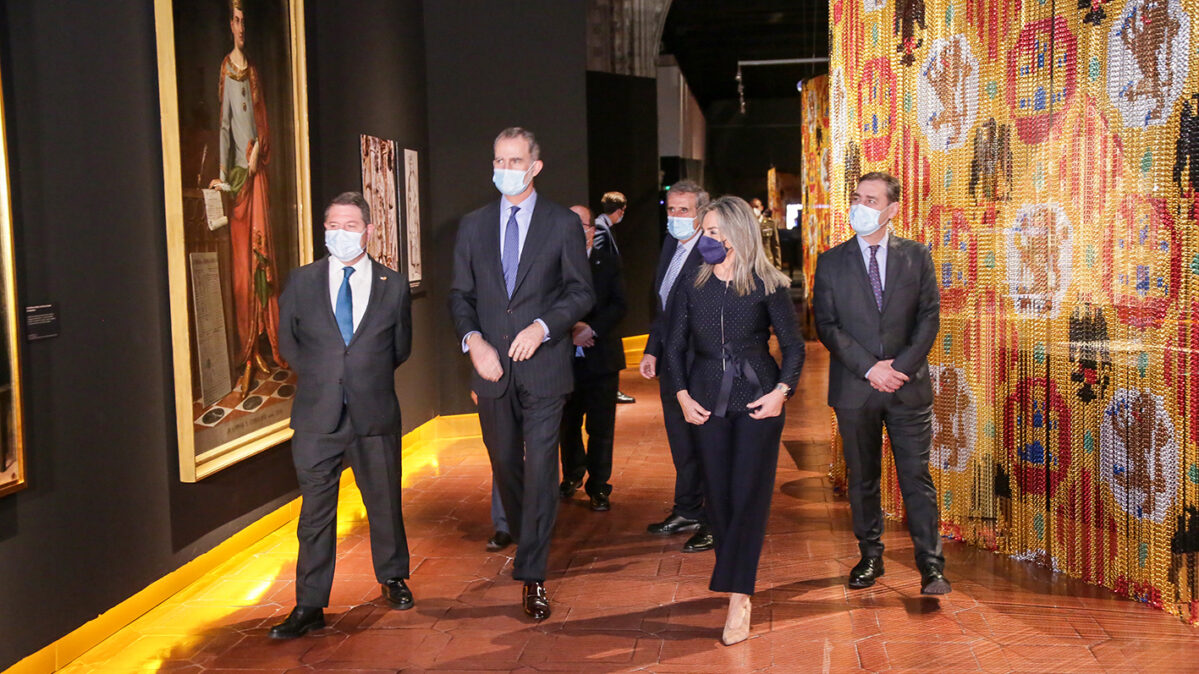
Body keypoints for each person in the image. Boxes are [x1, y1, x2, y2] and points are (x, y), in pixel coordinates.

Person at [449, 127, 594, 621]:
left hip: (545, 370)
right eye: (498, 160)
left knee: (540, 470)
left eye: (514, 160)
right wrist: (473, 343)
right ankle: (523, 532)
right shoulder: (472, 225)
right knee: (504, 461)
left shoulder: (561, 224)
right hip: (492, 371)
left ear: (535, 166)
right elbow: (460, 297)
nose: (504, 169)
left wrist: (542, 327)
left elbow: (580, 293)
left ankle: (532, 575)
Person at [269, 192, 414, 639]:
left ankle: (393, 576)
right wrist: (325, 374)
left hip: (374, 413)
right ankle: (309, 604)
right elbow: (287, 342)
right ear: (324, 230)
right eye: (333, 224)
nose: (341, 233)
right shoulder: (302, 280)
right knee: (315, 514)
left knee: (384, 502)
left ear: (369, 231)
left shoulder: (393, 284)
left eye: (351, 225)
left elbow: (399, 348)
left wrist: (359, 375)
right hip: (316, 417)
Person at [664, 196, 803, 646]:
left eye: (714, 232)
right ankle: (735, 579)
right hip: (705, 399)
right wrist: (682, 395)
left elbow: (794, 348)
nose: (707, 239)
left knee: (748, 495)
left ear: (738, 234)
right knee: (718, 498)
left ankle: (738, 595)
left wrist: (782, 393)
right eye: (705, 231)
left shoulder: (768, 283)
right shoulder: (693, 281)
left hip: (757, 398)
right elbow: (673, 345)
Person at [812, 171, 949, 596]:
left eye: (871, 200)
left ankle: (931, 565)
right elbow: (827, 326)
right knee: (863, 477)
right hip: (856, 388)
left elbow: (929, 318)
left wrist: (898, 368)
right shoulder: (831, 261)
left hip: (907, 388)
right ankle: (870, 556)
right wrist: (871, 369)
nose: (860, 206)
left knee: (916, 477)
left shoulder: (917, 256)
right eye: (857, 198)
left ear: (892, 209)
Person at [210, 0, 286, 398]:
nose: (241, 28)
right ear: (229, 25)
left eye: (245, 22)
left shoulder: (253, 71)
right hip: (240, 182)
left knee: (263, 264)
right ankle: (248, 350)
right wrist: (225, 176)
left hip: (258, 178)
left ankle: (266, 342)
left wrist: (259, 152)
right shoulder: (227, 68)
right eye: (236, 21)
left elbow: (263, 122)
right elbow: (225, 127)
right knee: (243, 267)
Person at [640, 180, 714, 553]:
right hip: (671, 364)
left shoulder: (713, 249)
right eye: (671, 209)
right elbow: (663, 307)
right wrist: (652, 349)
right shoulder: (671, 243)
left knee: (706, 444)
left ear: (702, 213)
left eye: (683, 210)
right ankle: (687, 509)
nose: (675, 217)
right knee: (681, 443)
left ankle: (713, 519)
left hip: (701, 365)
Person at [559, 205, 628, 511]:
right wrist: (570, 327)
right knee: (567, 423)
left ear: (592, 231)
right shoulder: (551, 264)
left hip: (601, 358)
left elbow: (619, 304)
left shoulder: (609, 262)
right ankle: (572, 474)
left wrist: (592, 329)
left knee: (601, 427)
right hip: (563, 360)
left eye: (582, 226)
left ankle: (599, 485)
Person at [595, 191, 635, 405]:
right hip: (604, 299)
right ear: (620, 210)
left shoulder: (604, 226)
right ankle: (611, 390)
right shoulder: (601, 228)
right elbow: (599, 261)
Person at [750, 198, 782, 270]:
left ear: (761, 208)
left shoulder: (770, 224)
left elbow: (775, 246)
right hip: (752, 264)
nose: (754, 210)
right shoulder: (747, 225)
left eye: (756, 207)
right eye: (752, 207)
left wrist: (778, 266)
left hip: (768, 262)